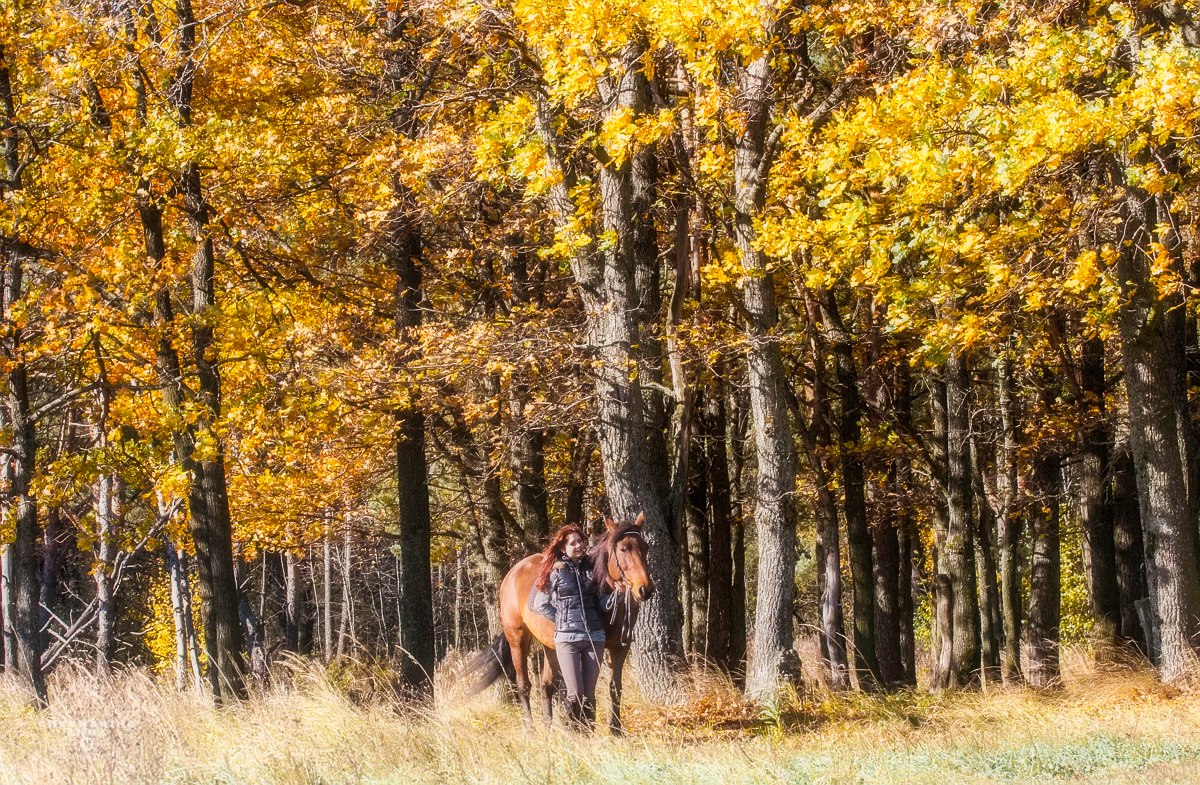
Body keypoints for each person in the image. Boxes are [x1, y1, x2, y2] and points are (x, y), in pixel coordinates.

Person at [534, 524, 609, 731]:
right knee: (575, 693)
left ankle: (588, 735)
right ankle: (572, 733)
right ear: (563, 547)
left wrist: (617, 596)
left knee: (589, 694)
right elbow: (540, 603)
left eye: (581, 541)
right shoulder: (555, 571)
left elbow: (602, 603)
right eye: (573, 542)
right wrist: (561, 619)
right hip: (567, 639)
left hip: (595, 637)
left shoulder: (594, 568)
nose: (579, 545)